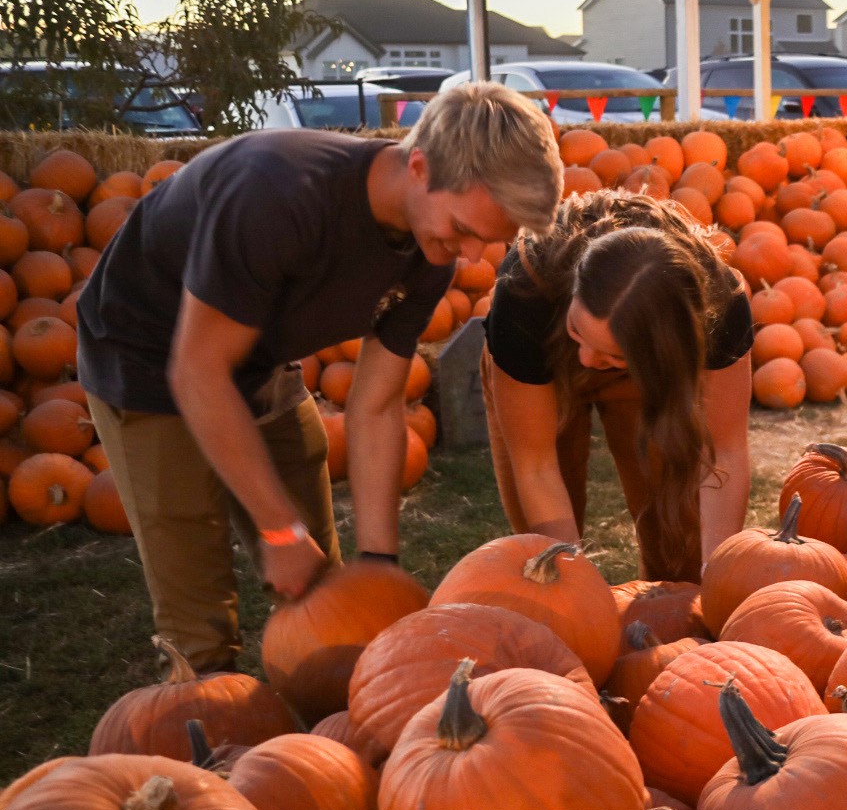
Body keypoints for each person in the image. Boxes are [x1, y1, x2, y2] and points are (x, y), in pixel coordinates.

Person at [77, 83, 562, 670]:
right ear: (418, 166)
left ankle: (318, 715)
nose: (469, 253)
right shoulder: (278, 195)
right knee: (197, 596)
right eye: (464, 230)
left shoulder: (429, 246)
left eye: (488, 239)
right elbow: (199, 372)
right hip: (148, 355)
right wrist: (278, 531)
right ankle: (203, 723)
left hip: (257, 351)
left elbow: (378, 405)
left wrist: (378, 565)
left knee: (320, 586)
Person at [482, 190, 752, 581]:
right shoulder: (525, 292)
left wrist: (715, 575)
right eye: (578, 330)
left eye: (611, 356)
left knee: (681, 550)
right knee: (546, 555)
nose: (587, 361)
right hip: (539, 365)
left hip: (645, 373)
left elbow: (724, 453)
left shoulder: (721, 308)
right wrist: (571, 588)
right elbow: (535, 466)